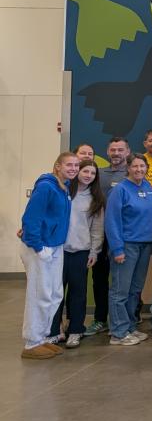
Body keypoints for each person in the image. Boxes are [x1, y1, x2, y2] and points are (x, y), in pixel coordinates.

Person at [19, 152, 79, 359]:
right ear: (57, 166)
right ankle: (31, 343)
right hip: (40, 247)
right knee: (39, 294)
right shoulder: (46, 186)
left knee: (54, 294)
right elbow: (30, 217)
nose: (73, 168)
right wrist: (37, 246)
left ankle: (43, 337)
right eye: (69, 165)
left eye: (76, 165)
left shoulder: (64, 187)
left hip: (55, 246)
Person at [50, 159, 104, 349]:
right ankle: (55, 331)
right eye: (85, 171)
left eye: (92, 173)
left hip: (81, 252)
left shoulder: (95, 199)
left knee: (78, 294)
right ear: (77, 172)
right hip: (58, 251)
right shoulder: (63, 191)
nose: (88, 175)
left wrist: (94, 251)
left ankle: (75, 330)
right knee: (56, 293)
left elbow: (97, 229)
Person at [105, 154, 152, 346]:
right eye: (135, 166)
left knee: (135, 290)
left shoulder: (147, 186)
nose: (139, 170)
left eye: (142, 166)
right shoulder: (120, 190)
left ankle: (129, 327)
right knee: (120, 290)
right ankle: (118, 332)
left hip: (145, 246)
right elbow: (111, 221)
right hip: (126, 246)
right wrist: (117, 249)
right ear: (128, 168)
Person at [84, 136, 129, 337]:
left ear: (127, 152)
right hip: (102, 235)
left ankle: (127, 319)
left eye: (120, 150)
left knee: (125, 281)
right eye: (113, 150)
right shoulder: (98, 174)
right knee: (100, 278)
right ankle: (100, 319)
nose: (116, 153)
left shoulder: (134, 173)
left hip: (125, 236)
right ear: (108, 152)